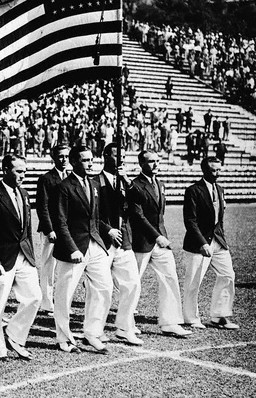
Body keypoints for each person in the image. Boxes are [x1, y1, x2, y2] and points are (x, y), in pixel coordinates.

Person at [0, 154, 41, 360]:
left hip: (23, 255)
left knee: (34, 297)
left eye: (25, 171)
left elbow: (27, 229)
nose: (23, 175)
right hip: (1, 259)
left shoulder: (23, 194)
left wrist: (32, 257)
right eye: (18, 171)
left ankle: (13, 334)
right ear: (6, 170)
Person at [53, 145, 113, 354]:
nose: (90, 163)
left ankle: (92, 333)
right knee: (65, 294)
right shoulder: (64, 187)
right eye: (85, 160)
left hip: (94, 245)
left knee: (104, 288)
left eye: (91, 159)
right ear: (73, 162)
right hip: (73, 248)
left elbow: (95, 219)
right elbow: (60, 222)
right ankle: (64, 338)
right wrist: (72, 249)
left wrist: (107, 231)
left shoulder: (94, 184)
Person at [128, 151, 192, 338]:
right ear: (141, 163)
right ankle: (128, 322)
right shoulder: (135, 186)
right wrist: (157, 236)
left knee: (170, 277)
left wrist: (160, 236)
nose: (156, 164)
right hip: (142, 241)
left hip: (160, 240)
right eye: (151, 161)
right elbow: (137, 216)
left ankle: (170, 322)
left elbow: (159, 215)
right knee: (133, 282)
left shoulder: (160, 184)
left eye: (157, 161)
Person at [182, 157, 239, 330]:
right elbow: (190, 221)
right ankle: (191, 318)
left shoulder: (220, 189)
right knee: (194, 281)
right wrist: (202, 243)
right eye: (213, 170)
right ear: (204, 171)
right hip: (198, 243)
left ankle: (219, 315)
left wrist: (220, 239)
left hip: (218, 241)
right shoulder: (193, 190)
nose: (217, 173)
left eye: (219, 170)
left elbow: (219, 220)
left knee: (228, 275)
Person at [96, 143, 143, 345]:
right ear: (106, 156)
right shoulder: (94, 182)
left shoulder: (125, 182)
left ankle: (124, 327)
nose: (121, 159)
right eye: (116, 155)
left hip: (124, 240)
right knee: (100, 289)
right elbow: (88, 215)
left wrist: (125, 179)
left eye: (123, 156)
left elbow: (139, 200)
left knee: (132, 283)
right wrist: (107, 229)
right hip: (102, 241)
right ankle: (95, 329)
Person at [35, 144, 69, 315]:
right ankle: (47, 303)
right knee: (49, 266)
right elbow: (42, 206)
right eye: (61, 156)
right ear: (54, 157)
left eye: (66, 156)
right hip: (52, 230)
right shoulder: (46, 178)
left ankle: (62, 301)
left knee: (66, 266)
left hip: (67, 229)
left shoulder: (71, 177)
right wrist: (49, 230)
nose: (64, 160)